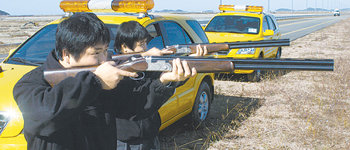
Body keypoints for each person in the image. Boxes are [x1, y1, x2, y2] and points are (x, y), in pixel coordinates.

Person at [13, 13, 195, 150]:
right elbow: (45, 116)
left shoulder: (102, 77)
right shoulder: (32, 83)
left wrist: (165, 81)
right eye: (96, 53)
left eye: (105, 51)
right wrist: (95, 82)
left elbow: (137, 105)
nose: (104, 59)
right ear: (66, 55)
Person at [113, 21, 207, 150]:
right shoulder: (113, 72)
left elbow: (170, 80)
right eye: (141, 44)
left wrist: (191, 60)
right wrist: (144, 56)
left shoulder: (146, 66)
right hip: (124, 141)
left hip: (150, 136)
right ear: (124, 47)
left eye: (146, 43)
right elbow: (136, 102)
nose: (146, 47)